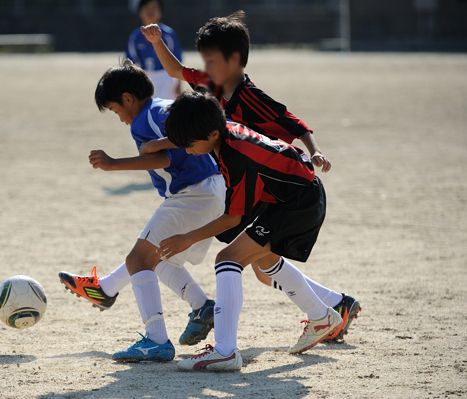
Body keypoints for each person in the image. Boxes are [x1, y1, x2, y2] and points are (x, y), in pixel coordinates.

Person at [141, 11, 360, 343]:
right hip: (253, 176)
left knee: (246, 257)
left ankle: (324, 312)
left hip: (264, 178)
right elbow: (178, 79)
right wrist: (157, 42)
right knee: (260, 262)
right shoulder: (210, 85)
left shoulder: (251, 97)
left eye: (211, 60)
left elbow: (292, 123)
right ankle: (333, 306)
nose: (205, 66)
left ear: (234, 60)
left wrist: (314, 150)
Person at [159, 91, 342, 371]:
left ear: (210, 135)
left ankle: (225, 351)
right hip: (292, 197)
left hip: (296, 204)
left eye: (189, 144)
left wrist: (188, 238)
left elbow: (233, 218)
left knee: (227, 259)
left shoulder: (235, 155)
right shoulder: (225, 130)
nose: (187, 150)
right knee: (263, 259)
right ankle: (321, 316)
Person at [58, 63, 226, 362]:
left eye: (114, 110)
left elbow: (164, 157)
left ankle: (156, 340)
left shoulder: (144, 118)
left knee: (139, 260)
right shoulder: (164, 108)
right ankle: (200, 306)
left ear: (127, 99)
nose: (120, 119)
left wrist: (113, 163)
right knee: (158, 258)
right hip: (213, 190)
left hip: (193, 193)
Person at [126, 0, 182, 100]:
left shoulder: (168, 34)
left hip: (166, 77)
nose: (150, 11)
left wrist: (178, 83)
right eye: (146, 8)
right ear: (140, 12)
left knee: (167, 111)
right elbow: (130, 60)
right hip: (144, 78)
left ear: (161, 11)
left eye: (154, 8)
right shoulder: (135, 37)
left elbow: (178, 60)